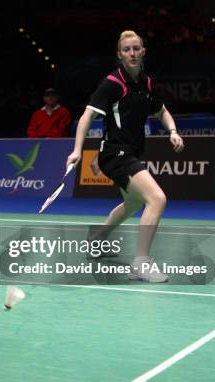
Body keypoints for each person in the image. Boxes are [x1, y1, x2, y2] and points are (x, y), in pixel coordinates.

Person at [66, 30, 184, 282]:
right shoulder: (112, 83)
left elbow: (162, 111)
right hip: (114, 153)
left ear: (143, 52)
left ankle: (96, 240)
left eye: (136, 48)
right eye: (127, 49)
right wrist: (77, 150)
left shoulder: (147, 83)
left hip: (130, 152)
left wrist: (172, 131)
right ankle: (140, 263)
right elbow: (87, 116)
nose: (132, 53)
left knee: (132, 204)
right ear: (119, 55)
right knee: (157, 199)